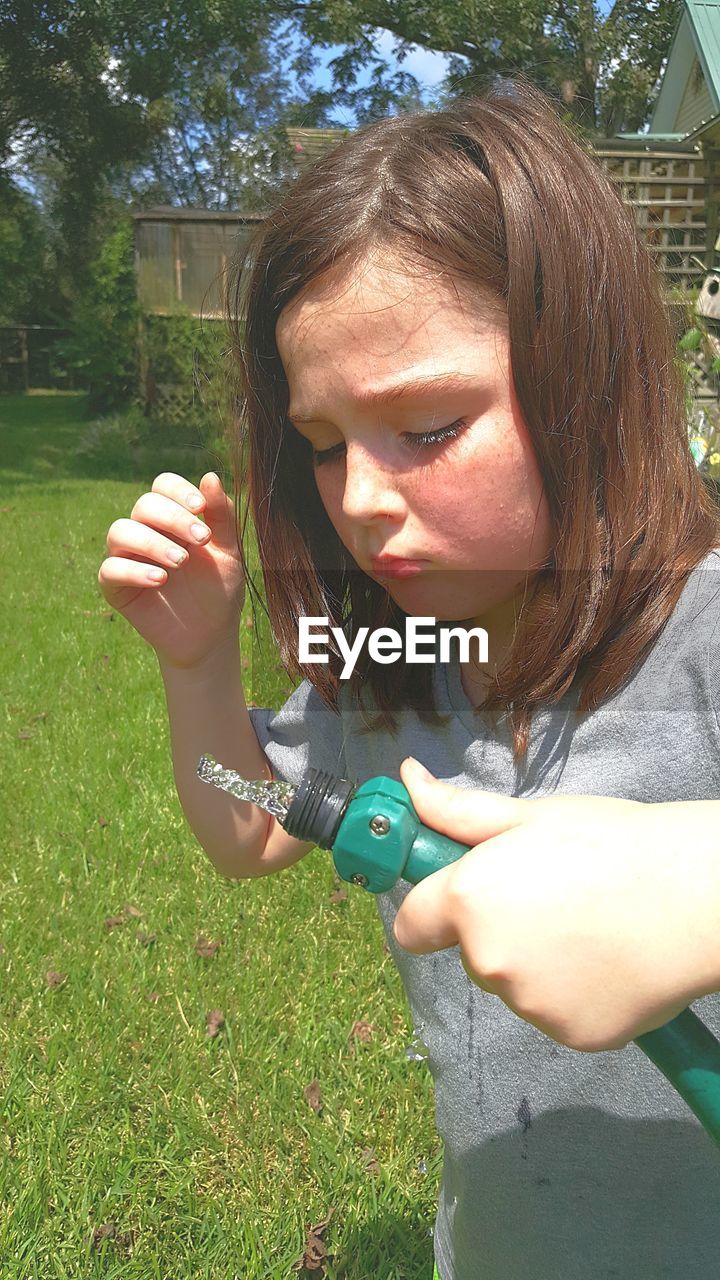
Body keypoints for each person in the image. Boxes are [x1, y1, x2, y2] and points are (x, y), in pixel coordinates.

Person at [99, 74, 720, 1279]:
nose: (363, 502)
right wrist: (196, 662)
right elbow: (245, 816)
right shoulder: (398, 665)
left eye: (428, 428)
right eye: (326, 446)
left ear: (587, 374)